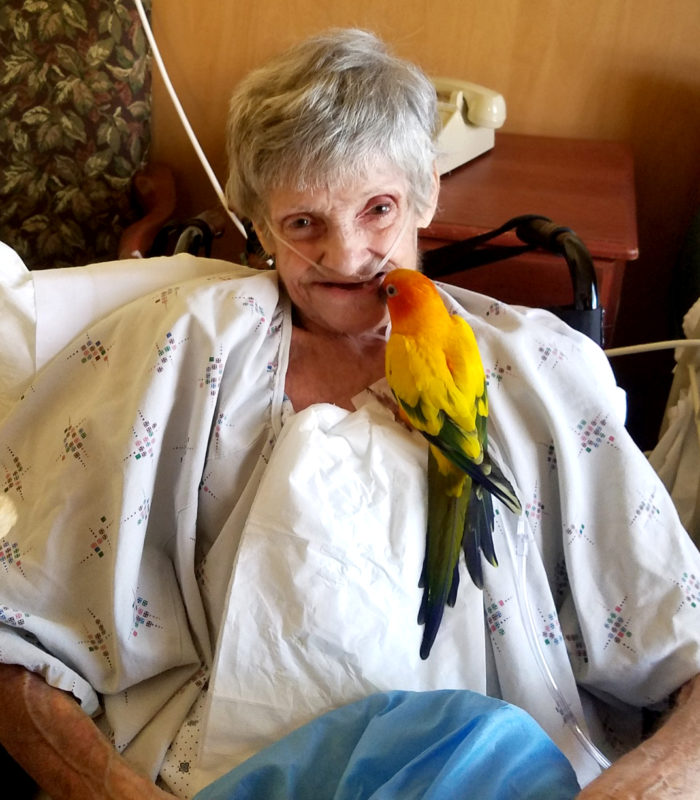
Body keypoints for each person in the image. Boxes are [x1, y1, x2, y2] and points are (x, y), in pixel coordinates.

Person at [0, 27, 698, 800]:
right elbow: (22, 625)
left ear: (426, 192)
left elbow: (682, 629)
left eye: (378, 209)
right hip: (215, 773)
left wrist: (644, 787)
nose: (346, 257)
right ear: (258, 226)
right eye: (303, 224)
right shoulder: (181, 349)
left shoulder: (538, 370)